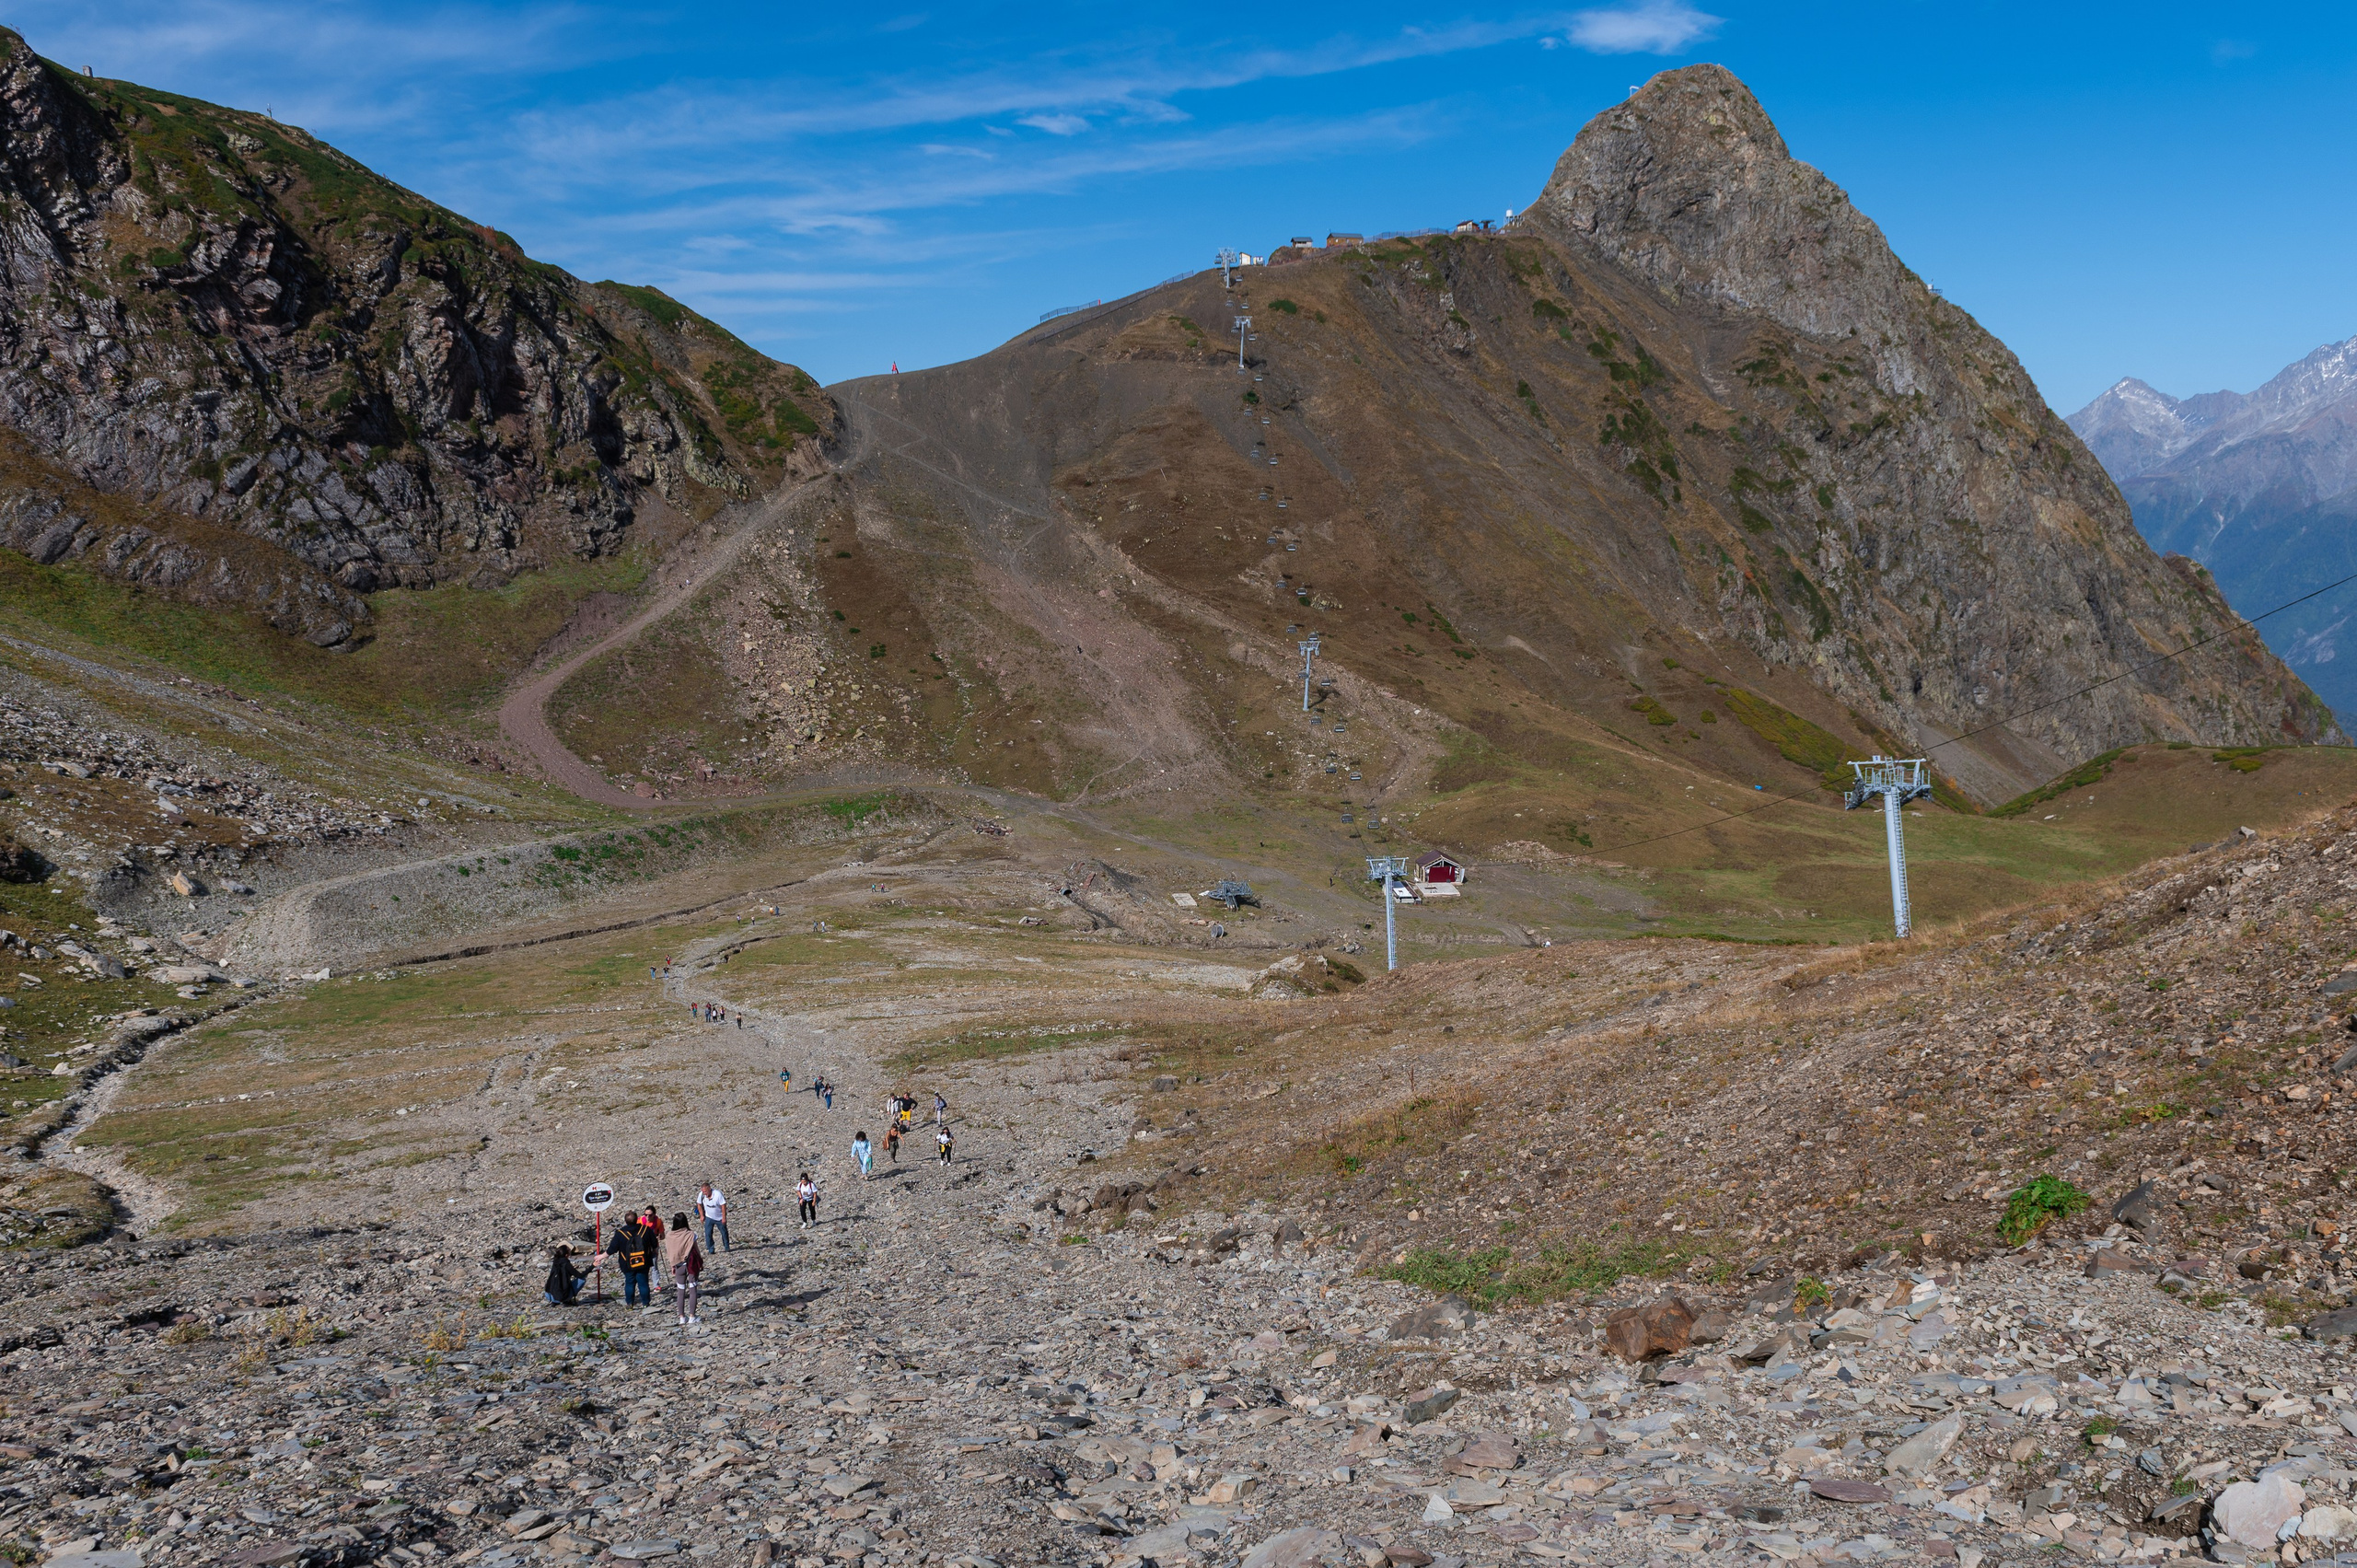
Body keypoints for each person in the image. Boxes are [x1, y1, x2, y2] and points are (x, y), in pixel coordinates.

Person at [608, 1210, 657, 1308]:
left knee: (630, 1282)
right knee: (643, 1283)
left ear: (626, 1221)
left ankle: (630, 1303)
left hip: (627, 1263)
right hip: (644, 1261)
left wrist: (601, 1256)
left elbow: (612, 1249)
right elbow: (655, 1244)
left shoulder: (620, 1233)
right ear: (637, 1220)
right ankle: (645, 1304)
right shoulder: (645, 1230)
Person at [663, 1213, 703, 1326]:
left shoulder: (669, 1235)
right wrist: (700, 1262)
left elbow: (670, 1251)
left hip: (678, 1265)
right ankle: (692, 1316)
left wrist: (672, 1265)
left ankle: (681, 1317)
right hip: (691, 1264)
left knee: (680, 1291)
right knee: (693, 1290)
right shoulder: (691, 1234)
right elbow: (696, 1249)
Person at [544, 1243, 584, 1307]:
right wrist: (592, 1266)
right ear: (566, 1255)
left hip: (550, 1295)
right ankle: (566, 1300)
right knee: (582, 1279)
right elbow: (579, 1275)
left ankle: (555, 1301)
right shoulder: (566, 1264)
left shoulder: (555, 1262)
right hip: (562, 1296)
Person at [698, 1181, 730, 1252]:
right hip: (709, 1217)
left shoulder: (718, 1194)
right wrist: (701, 1216)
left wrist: (724, 1218)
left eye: (705, 1191)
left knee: (724, 1232)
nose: (704, 1193)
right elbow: (699, 1204)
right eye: (703, 1192)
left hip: (719, 1217)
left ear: (709, 1189)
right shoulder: (701, 1195)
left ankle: (726, 1246)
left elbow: (723, 1206)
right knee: (708, 1233)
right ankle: (711, 1249)